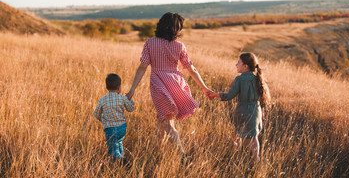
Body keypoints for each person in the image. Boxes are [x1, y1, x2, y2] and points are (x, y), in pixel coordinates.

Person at [126, 12, 211, 157]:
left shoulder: (150, 43)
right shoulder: (179, 46)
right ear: (176, 29)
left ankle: (182, 154)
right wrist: (205, 88)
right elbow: (191, 69)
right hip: (176, 84)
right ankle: (158, 151)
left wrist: (132, 88)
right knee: (163, 117)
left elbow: (142, 67)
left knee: (168, 123)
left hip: (159, 84)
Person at [208, 52, 271, 164]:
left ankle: (237, 157)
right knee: (254, 138)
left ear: (245, 66)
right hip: (256, 111)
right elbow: (262, 99)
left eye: (238, 63)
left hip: (242, 110)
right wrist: (262, 112)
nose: (236, 65)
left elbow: (229, 96)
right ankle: (256, 160)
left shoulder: (239, 79)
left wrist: (215, 94)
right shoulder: (258, 78)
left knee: (237, 133)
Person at [94, 73, 135, 162]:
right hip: (122, 127)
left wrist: (103, 120)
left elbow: (96, 114)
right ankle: (122, 156)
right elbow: (130, 109)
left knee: (113, 147)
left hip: (110, 129)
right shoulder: (122, 98)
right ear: (119, 87)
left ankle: (120, 160)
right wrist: (130, 100)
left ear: (106, 87)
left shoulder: (102, 100)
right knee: (119, 142)